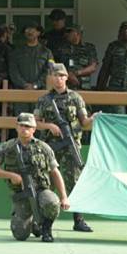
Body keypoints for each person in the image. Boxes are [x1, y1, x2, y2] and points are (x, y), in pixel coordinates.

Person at [0, 113, 70, 243]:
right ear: (16, 127)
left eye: (28, 126)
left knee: (52, 202)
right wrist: (11, 175)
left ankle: (46, 229)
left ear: (34, 129)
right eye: (21, 125)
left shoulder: (43, 147)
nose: (24, 129)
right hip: (21, 192)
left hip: (41, 190)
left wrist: (64, 197)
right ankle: (30, 223)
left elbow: (55, 172)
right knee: (20, 235)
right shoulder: (7, 147)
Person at [34, 63, 96, 233]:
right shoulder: (44, 99)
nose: (58, 79)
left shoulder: (75, 97)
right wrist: (49, 127)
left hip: (70, 146)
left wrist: (94, 118)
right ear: (51, 78)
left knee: (74, 183)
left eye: (61, 76)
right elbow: (34, 123)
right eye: (55, 76)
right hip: (49, 147)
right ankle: (43, 222)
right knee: (47, 184)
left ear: (67, 78)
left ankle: (79, 220)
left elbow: (84, 122)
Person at [8, 24, 54, 114]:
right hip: (21, 93)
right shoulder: (16, 51)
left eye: (33, 29)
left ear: (38, 33)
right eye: (27, 29)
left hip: (40, 93)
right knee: (22, 122)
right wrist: (24, 84)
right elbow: (13, 71)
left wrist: (36, 85)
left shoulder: (47, 52)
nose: (30, 31)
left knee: (39, 123)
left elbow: (49, 71)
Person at [52, 24, 99, 90]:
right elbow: (54, 66)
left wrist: (77, 73)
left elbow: (93, 67)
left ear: (77, 33)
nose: (66, 34)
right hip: (65, 87)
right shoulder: (61, 48)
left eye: (69, 32)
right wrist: (68, 75)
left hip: (84, 87)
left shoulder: (89, 48)